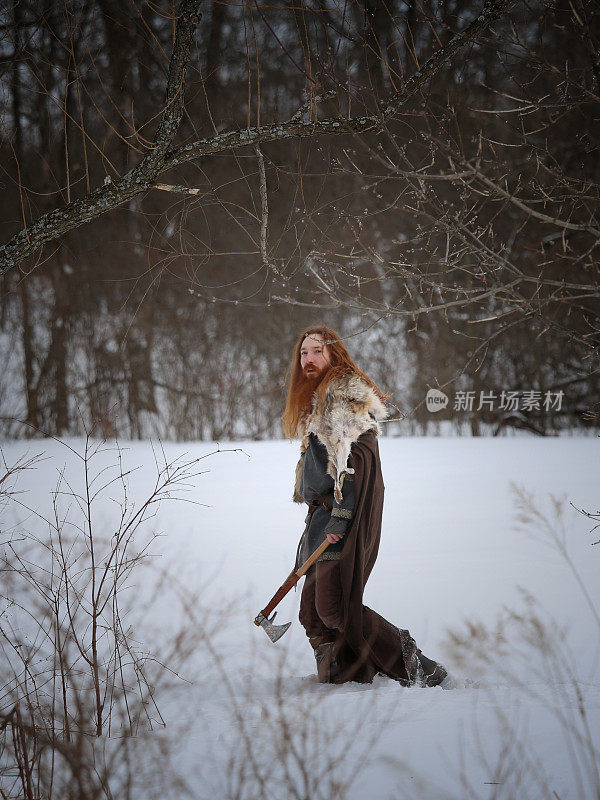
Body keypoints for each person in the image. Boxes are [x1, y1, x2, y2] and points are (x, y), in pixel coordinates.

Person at [282, 324, 448, 686]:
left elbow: (352, 461)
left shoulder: (341, 396)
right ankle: (346, 676)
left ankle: (418, 666)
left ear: (334, 355)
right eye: (303, 353)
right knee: (313, 612)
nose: (308, 359)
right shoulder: (321, 396)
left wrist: (340, 517)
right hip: (323, 518)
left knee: (335, 607)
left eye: (316, 351)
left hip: (338, 519)